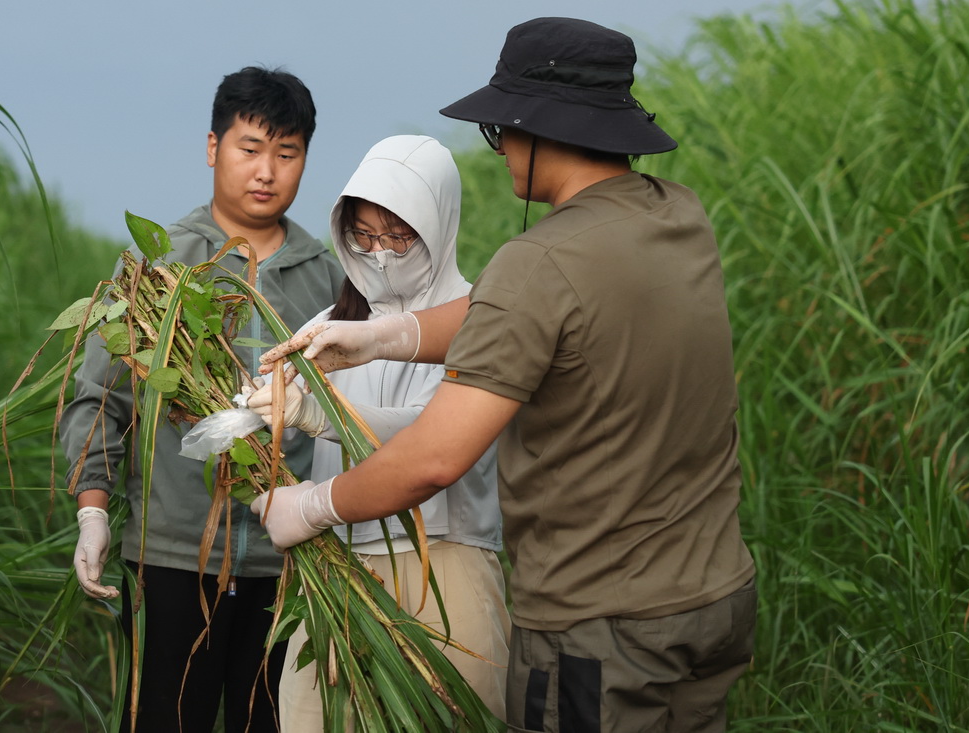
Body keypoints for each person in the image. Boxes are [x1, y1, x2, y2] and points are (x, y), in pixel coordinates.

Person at [254, 17, 756, 733]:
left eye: (501, 131)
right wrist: (387, 337)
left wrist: (311, 505)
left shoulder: (539, 262)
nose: (502, 150)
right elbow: (533, 316)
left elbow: (434, 459)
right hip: (713, 599)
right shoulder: (678, 216)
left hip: (602, 626)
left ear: (539, 128)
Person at [61, 66, 344, 733]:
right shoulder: (160, 267)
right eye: (250, 148)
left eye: (287, 152)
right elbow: (100, 397)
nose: (266, 171)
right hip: (172, 556)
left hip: (291, 563)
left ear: (305, 156)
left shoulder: (328, 277)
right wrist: (93, 510)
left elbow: (347, 416)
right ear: (213, 147)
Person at [246, 135, 509, 728]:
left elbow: (432, 433)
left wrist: (324, 415)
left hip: (441, 563)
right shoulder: (332, 322)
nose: (381, 254)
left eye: (398, 237)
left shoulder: (478, 316)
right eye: (364, 237)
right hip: (339, 562)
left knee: (449, 715)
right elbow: (275, 387)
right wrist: (249, 408)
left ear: (438, 226)